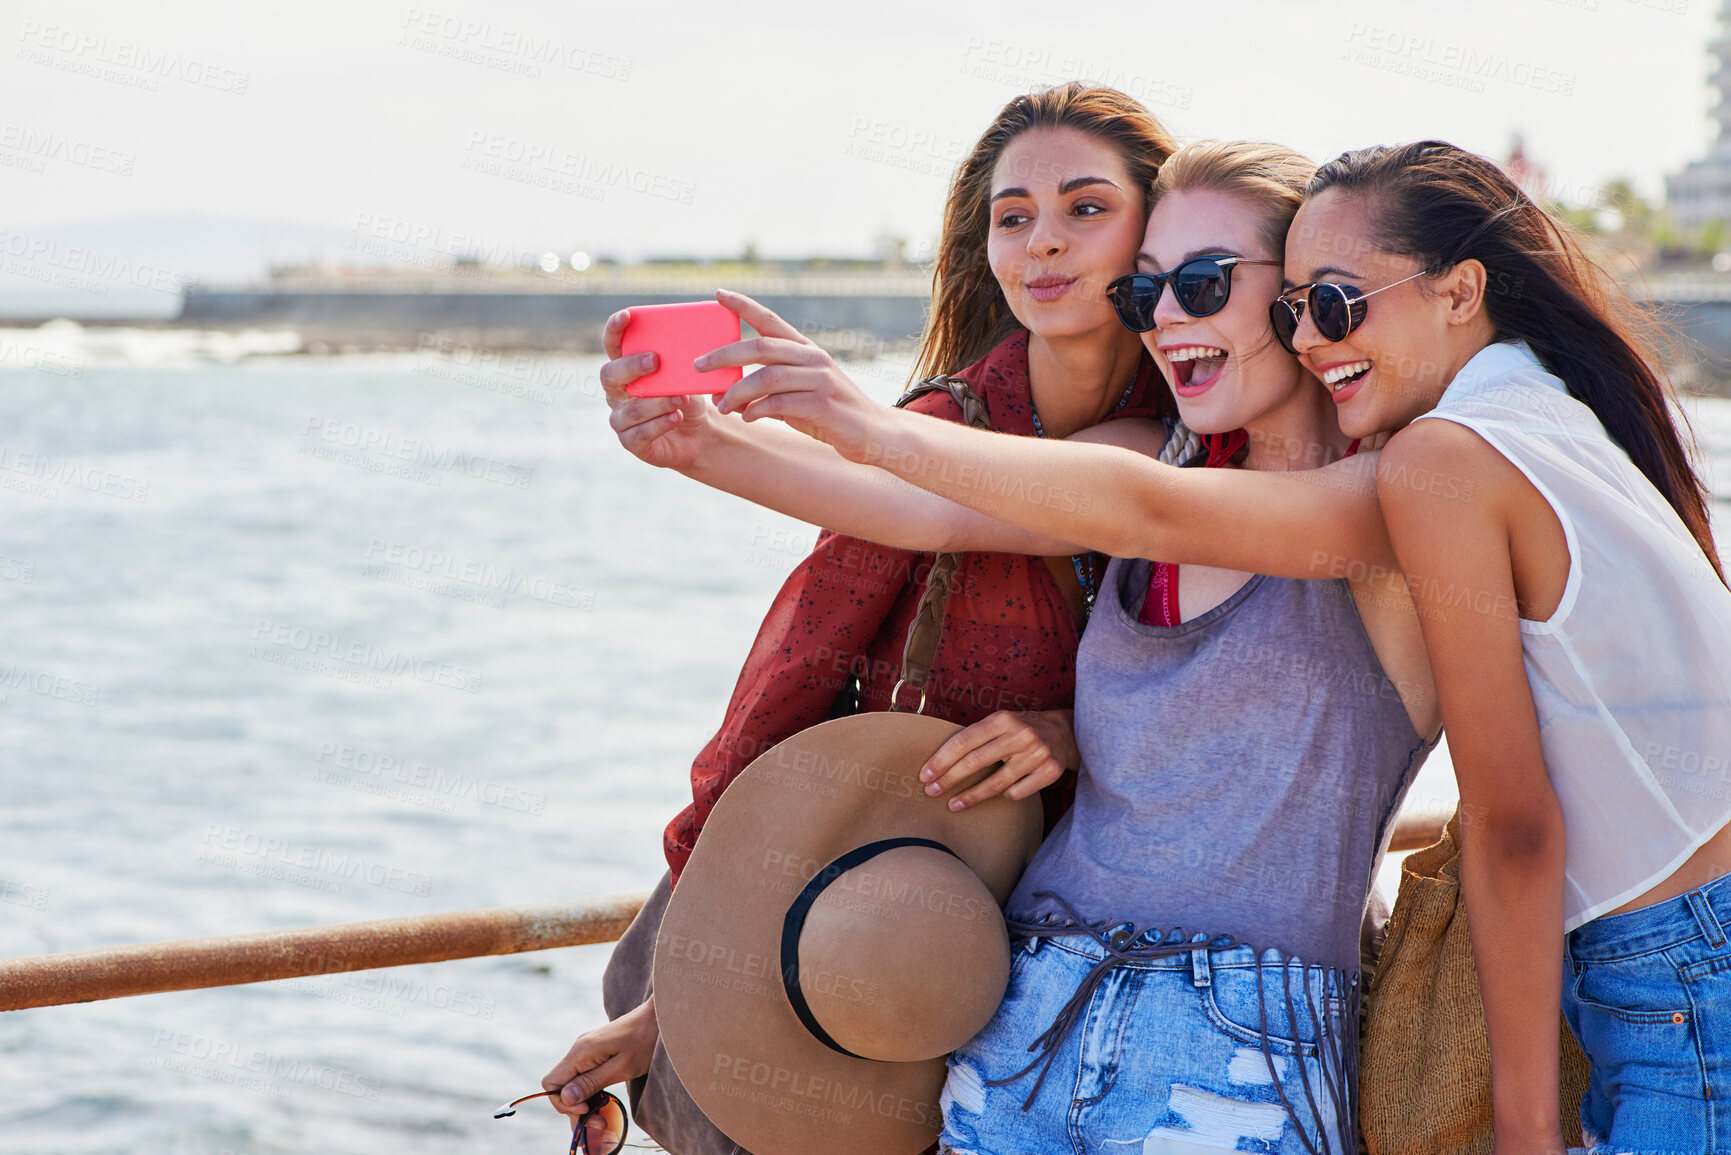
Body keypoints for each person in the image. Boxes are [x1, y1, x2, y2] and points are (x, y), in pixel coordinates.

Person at [604, 140, 1442, 1154]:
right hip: (1024, 1014)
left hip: (1232, 1047)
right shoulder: (1153, 450)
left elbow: (1154, 513)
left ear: (1298, 298)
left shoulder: (1388, 498)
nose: (1167, 316)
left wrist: (860, 420)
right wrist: (702, 444)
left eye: (1204, 283)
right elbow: (929, 507)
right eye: (1146, 294)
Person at [538, 82, 1181, 1152]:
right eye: (1013, 218)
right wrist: (698, 441)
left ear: (1156, 231)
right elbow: (897, 505)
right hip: (881, 897)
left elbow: (958, 500)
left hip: (1052, 944)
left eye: (1085, 208)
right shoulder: (946, 418)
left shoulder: (1186, 441)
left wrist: (1073, 735)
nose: (1044, 245)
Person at [1289, 141, 1731, 1155]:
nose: (1310, 341)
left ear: (1460, 292)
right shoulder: (1560, 412)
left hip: (1682, 978)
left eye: (1338, 303)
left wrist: (1523, 1132)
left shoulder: (1446, 457)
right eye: (1292, 311)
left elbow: (1515, 826)